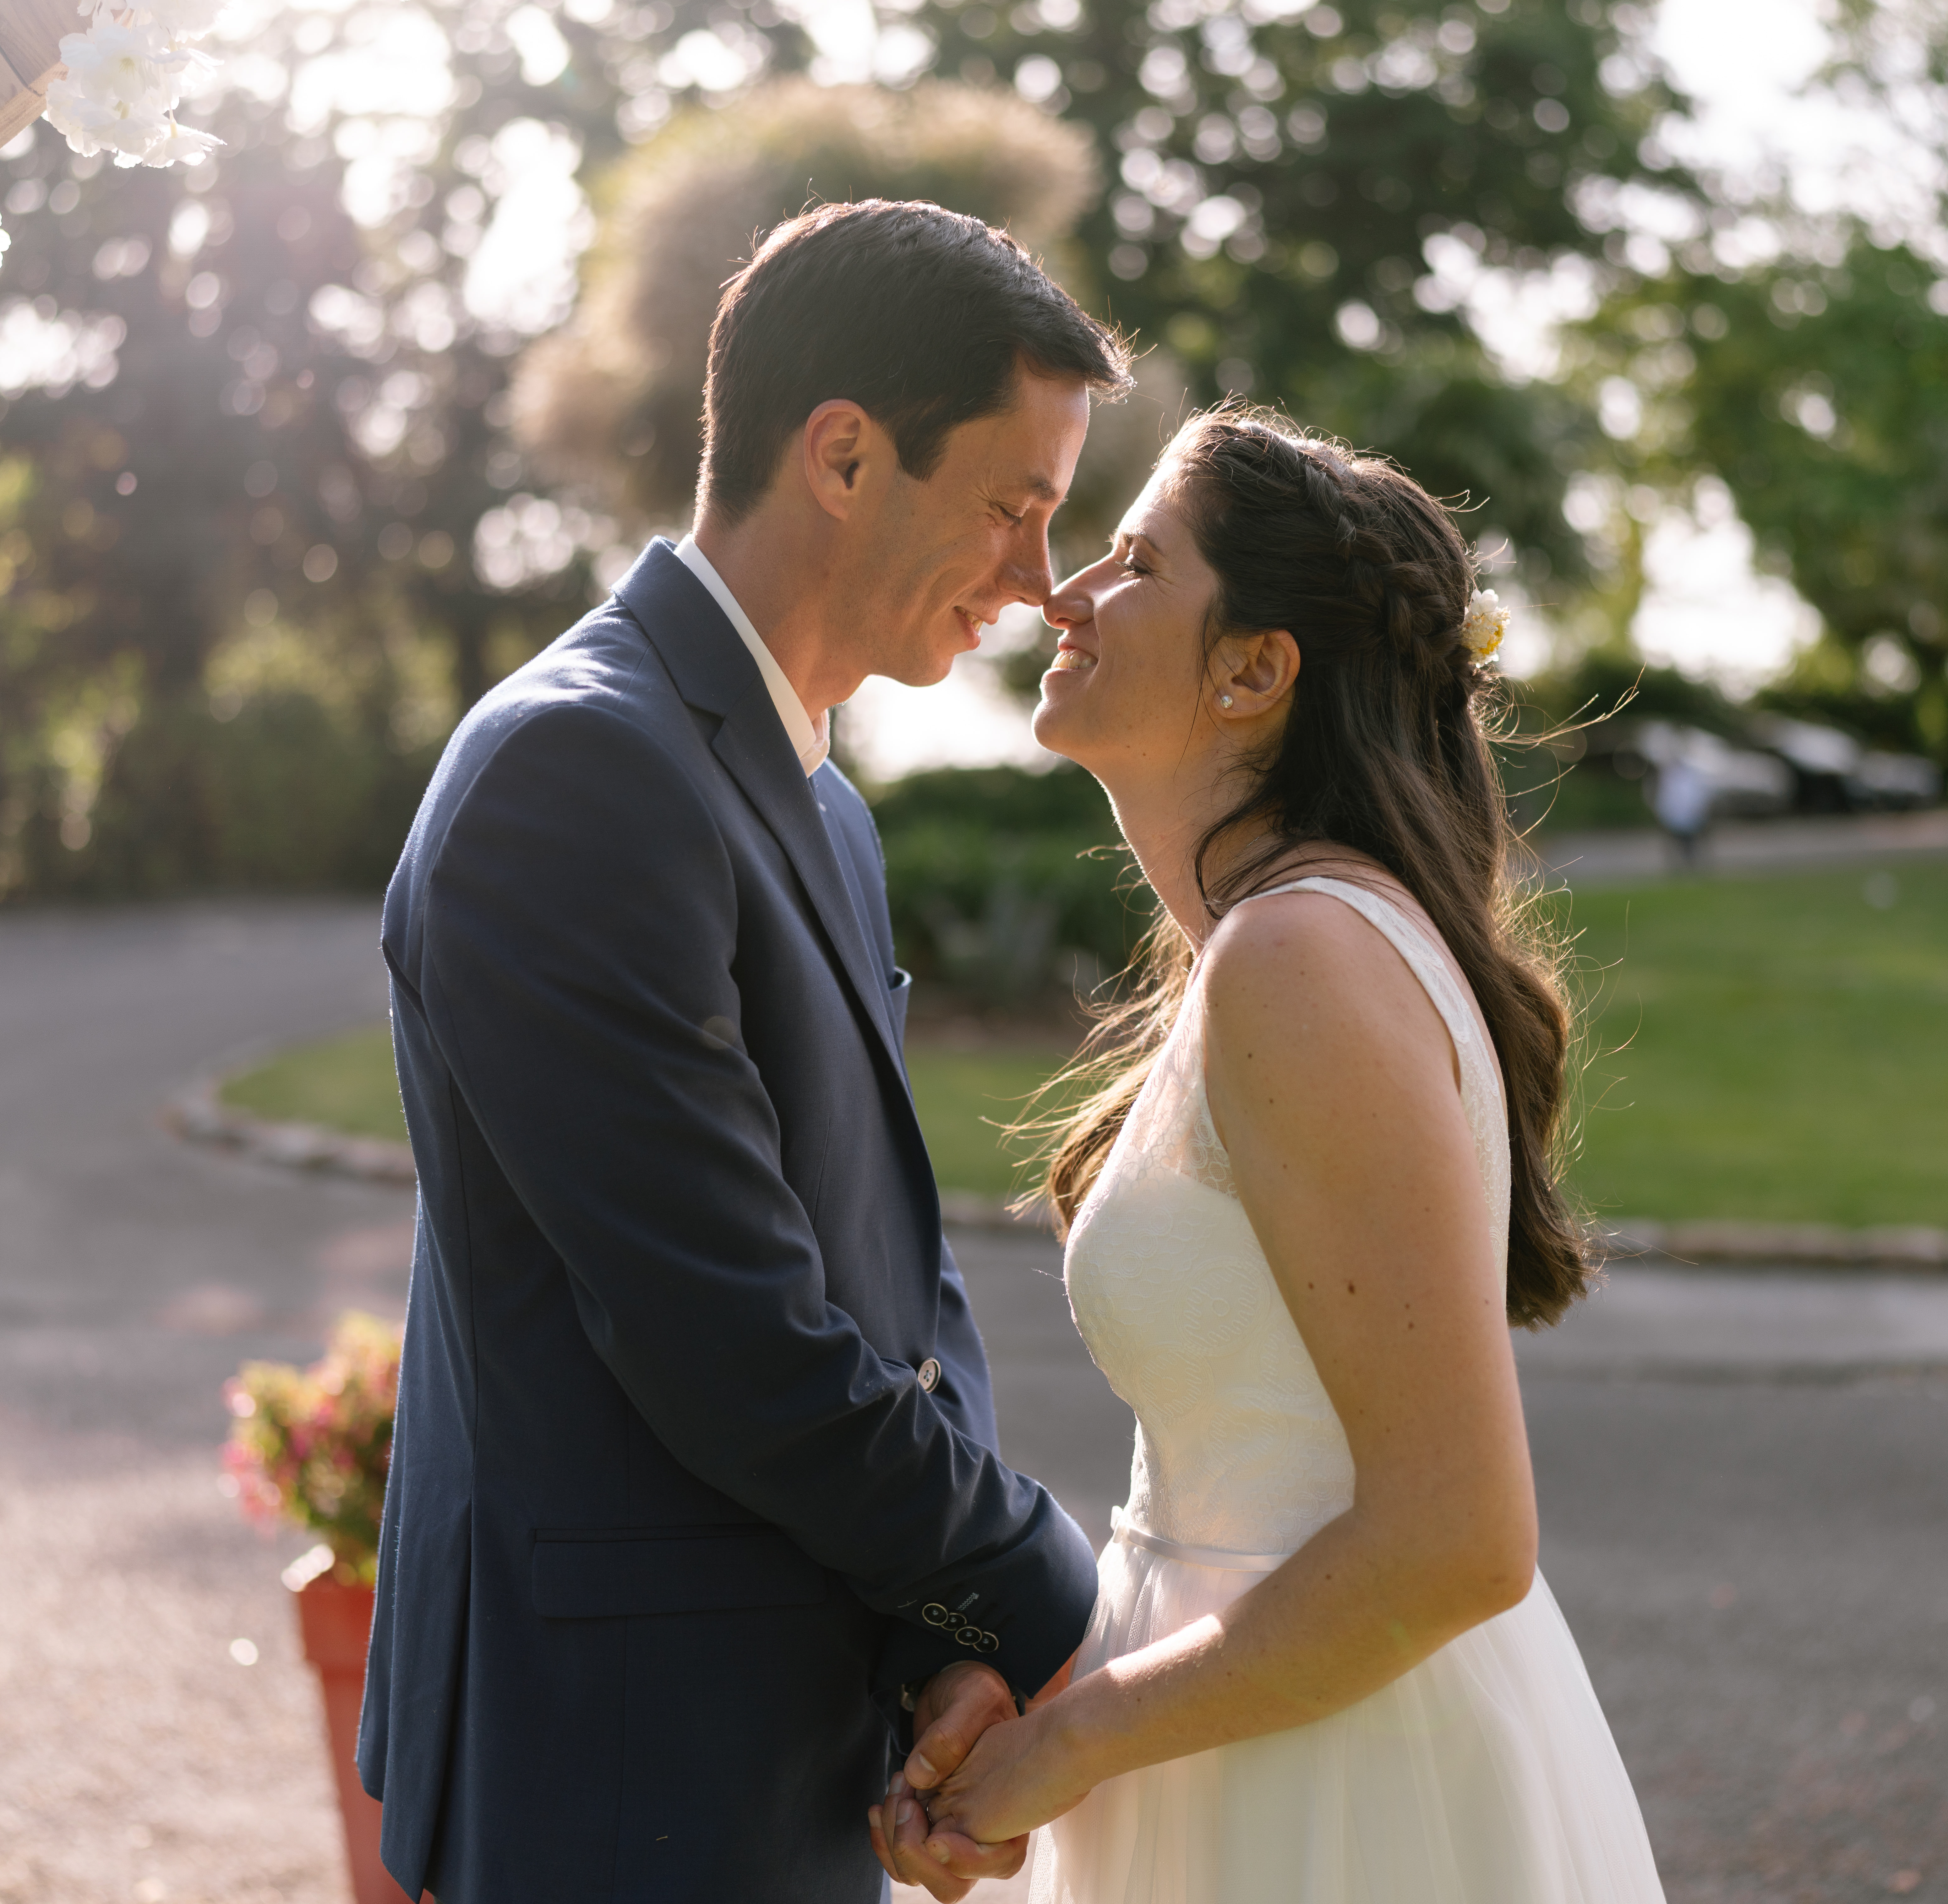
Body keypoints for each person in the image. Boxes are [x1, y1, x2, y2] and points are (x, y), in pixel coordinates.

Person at [361, 200, 1132, 1904]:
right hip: (620, 1764)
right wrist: (1041, 1589)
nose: (1041, 575)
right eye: (1012, 507)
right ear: (844, 456)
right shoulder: (577, 776)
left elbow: (888, 1279)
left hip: (778, 1730)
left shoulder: (819, 807)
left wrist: (942, 1639)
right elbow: (726, 1327)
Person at [891, 406, 1668, 1902]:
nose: (1063, 594)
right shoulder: (1265, 946)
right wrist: (1062, 1704)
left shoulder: (1298, 955)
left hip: (1343, 1793)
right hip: (1237, 1740)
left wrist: (1080, 1742)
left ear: (1253, 669)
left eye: (1131, 563)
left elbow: (1455, 1537)